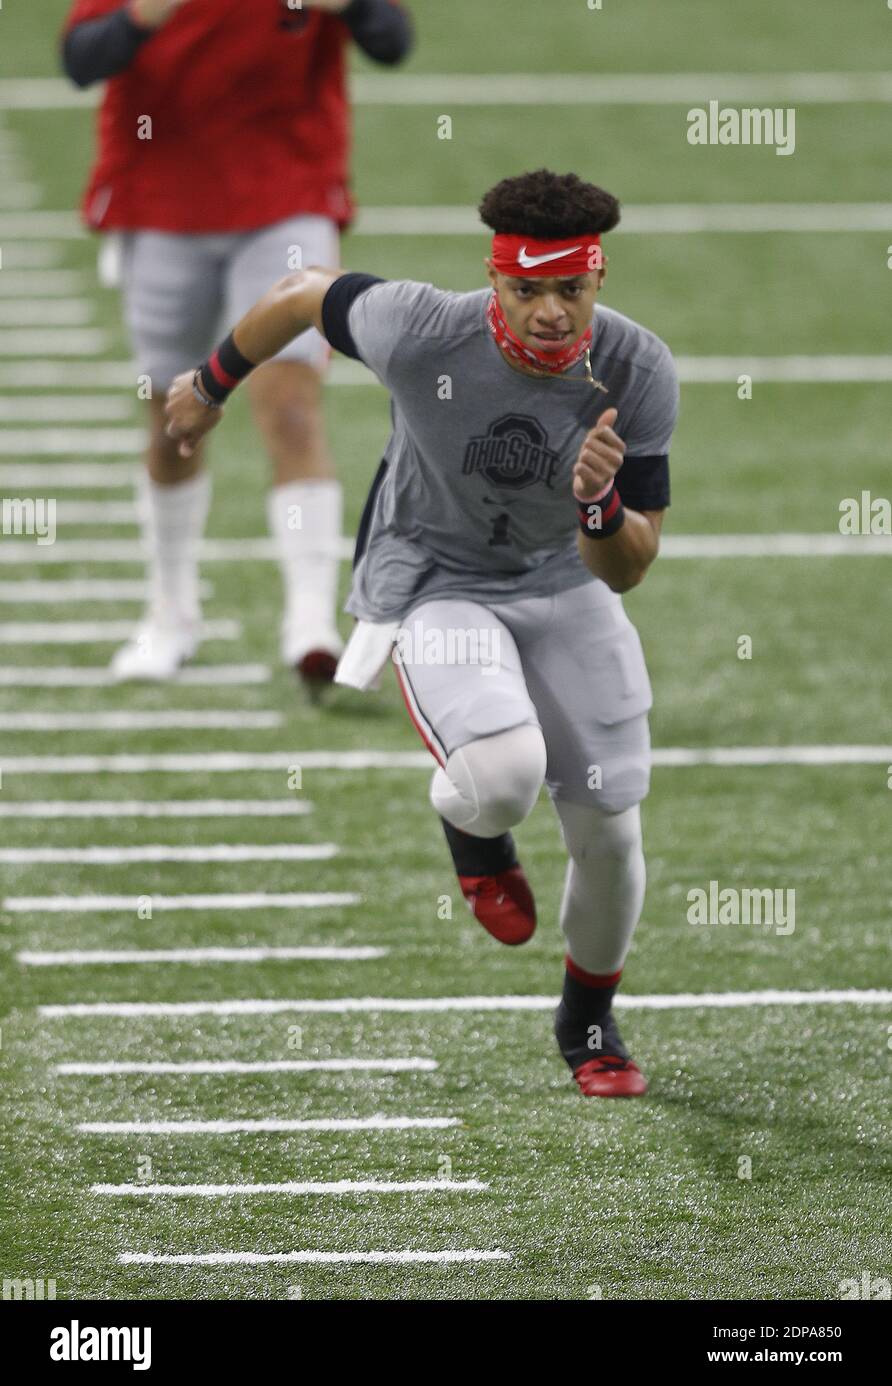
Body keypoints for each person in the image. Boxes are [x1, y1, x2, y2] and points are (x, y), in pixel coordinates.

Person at [164, 169, 679, 1099]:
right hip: (437, 578)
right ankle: (470, 830)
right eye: (529, 290)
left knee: (611, 830)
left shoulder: (637, 369)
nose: (552, 312)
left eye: (572, 289)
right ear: (496, 283)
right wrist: (212, 383)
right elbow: (296, 293)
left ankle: (588, 1017)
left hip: (565, 582)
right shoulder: (420, 328)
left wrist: (601, 507)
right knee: (503, 776)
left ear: (598, 281)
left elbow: (632, 566)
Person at [61, 0, 413, 689]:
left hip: (286, 197)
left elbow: (392, 39)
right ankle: (170, 613)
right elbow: (81, 60)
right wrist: (140, 18)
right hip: (161, 200)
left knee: (290, 406)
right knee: (174, 420)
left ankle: (310, 622)